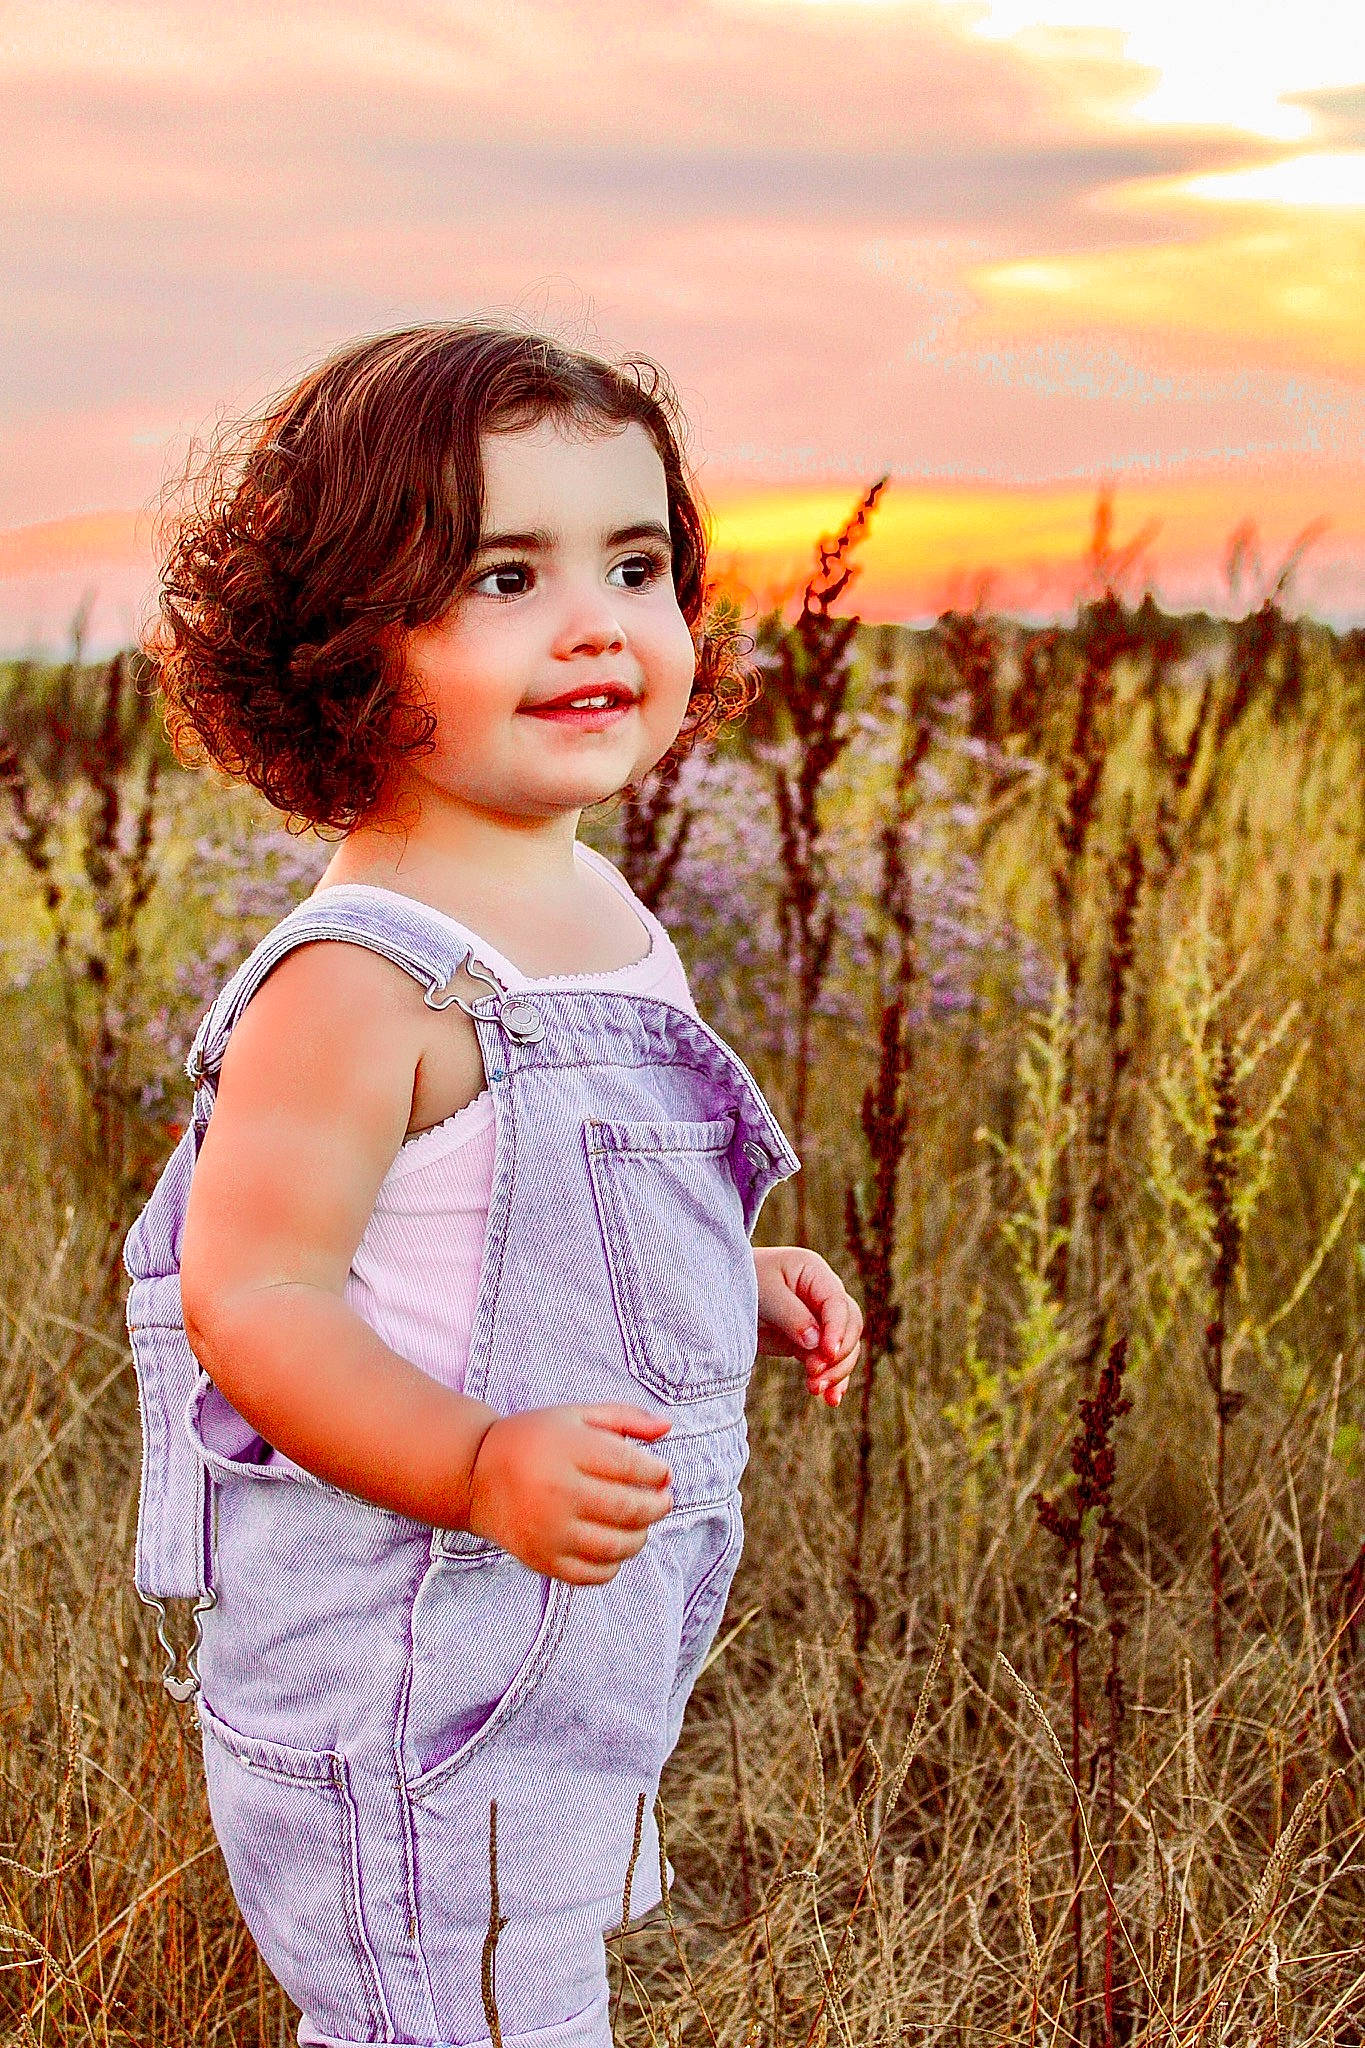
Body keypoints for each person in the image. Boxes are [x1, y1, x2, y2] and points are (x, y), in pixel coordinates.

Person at [129, 320, 864, 2048]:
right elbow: (262, 1300)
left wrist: (718, 1281)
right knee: (436, 2016)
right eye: (502, 577)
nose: (598, 621)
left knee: (514, 1989)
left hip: (565, 1649)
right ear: (345, 645)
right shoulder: (363, 981)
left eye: (634, 562)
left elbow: (511, 1231)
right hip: (413, 1663)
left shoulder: (594, 918)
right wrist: (470, 1462)